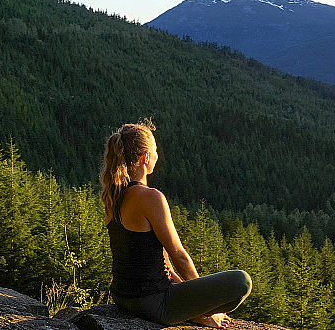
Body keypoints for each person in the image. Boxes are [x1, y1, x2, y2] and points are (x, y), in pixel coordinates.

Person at [100, 119, 252, 329]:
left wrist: (191, 300)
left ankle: (189, 312)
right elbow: (178, 254)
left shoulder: (113, 196)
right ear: (146, 157)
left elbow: (160, 262)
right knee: (241, 281)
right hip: (153, 304)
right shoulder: (150, 197)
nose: (157, 155)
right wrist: (203, 307)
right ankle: (193, 314)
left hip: (123, 297)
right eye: (155, 151)